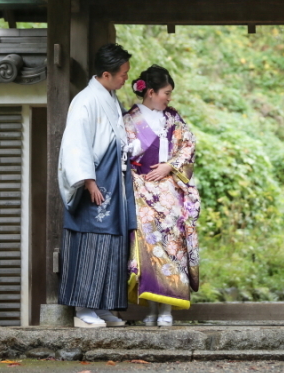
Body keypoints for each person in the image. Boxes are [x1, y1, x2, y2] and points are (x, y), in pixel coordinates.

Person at [57, 44, 137, 328]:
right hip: (97, 180)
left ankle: (103, 307)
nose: (126, 77)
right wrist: (88, 181)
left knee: (112, 244)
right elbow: (76, 144)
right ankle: (83, 309)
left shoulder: (110, 97)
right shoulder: (86, 100)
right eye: (123, 73)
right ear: (107, 73)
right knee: (92, 242)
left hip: (113, 179)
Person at [123, 65, 201, 327]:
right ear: (151, 92)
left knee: (173, 251)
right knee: (150, 251)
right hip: (142, 192)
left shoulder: (174, 119)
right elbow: (123, 154)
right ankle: (152, 309)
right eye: (166, 93)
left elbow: (188, 145)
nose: (169, 98)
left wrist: (170, 166)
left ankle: (167, 310)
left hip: (171, 194)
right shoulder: (129, 120)